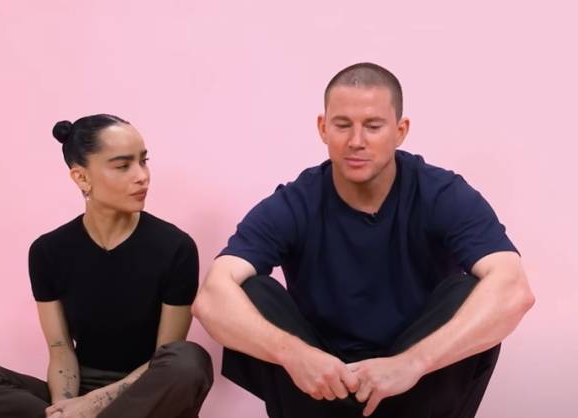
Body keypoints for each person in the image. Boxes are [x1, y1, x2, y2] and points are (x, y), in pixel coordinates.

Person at [192, 63, 535, 418]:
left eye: (373, 126)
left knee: (472, 291)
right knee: (249, 290)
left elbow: (514, 290)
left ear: (400, 131)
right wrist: (292, 354)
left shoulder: (441, 193)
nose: (356, 141)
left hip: (415, 389)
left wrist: (412, 363)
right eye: (342, 125)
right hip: (320, 390)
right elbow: (211, 298)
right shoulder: (296, 201)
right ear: (323, 128)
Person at [0, 114, 213, 418]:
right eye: (123, 166)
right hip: (81, 387)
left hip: (146, 393)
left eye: (143, 161)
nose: (142, 176)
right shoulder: (48, 251)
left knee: (188, 361)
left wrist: (92, 405)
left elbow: (165, 357)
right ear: (82, 178)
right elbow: (60, 349)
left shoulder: (175, 247)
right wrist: (68, 407)